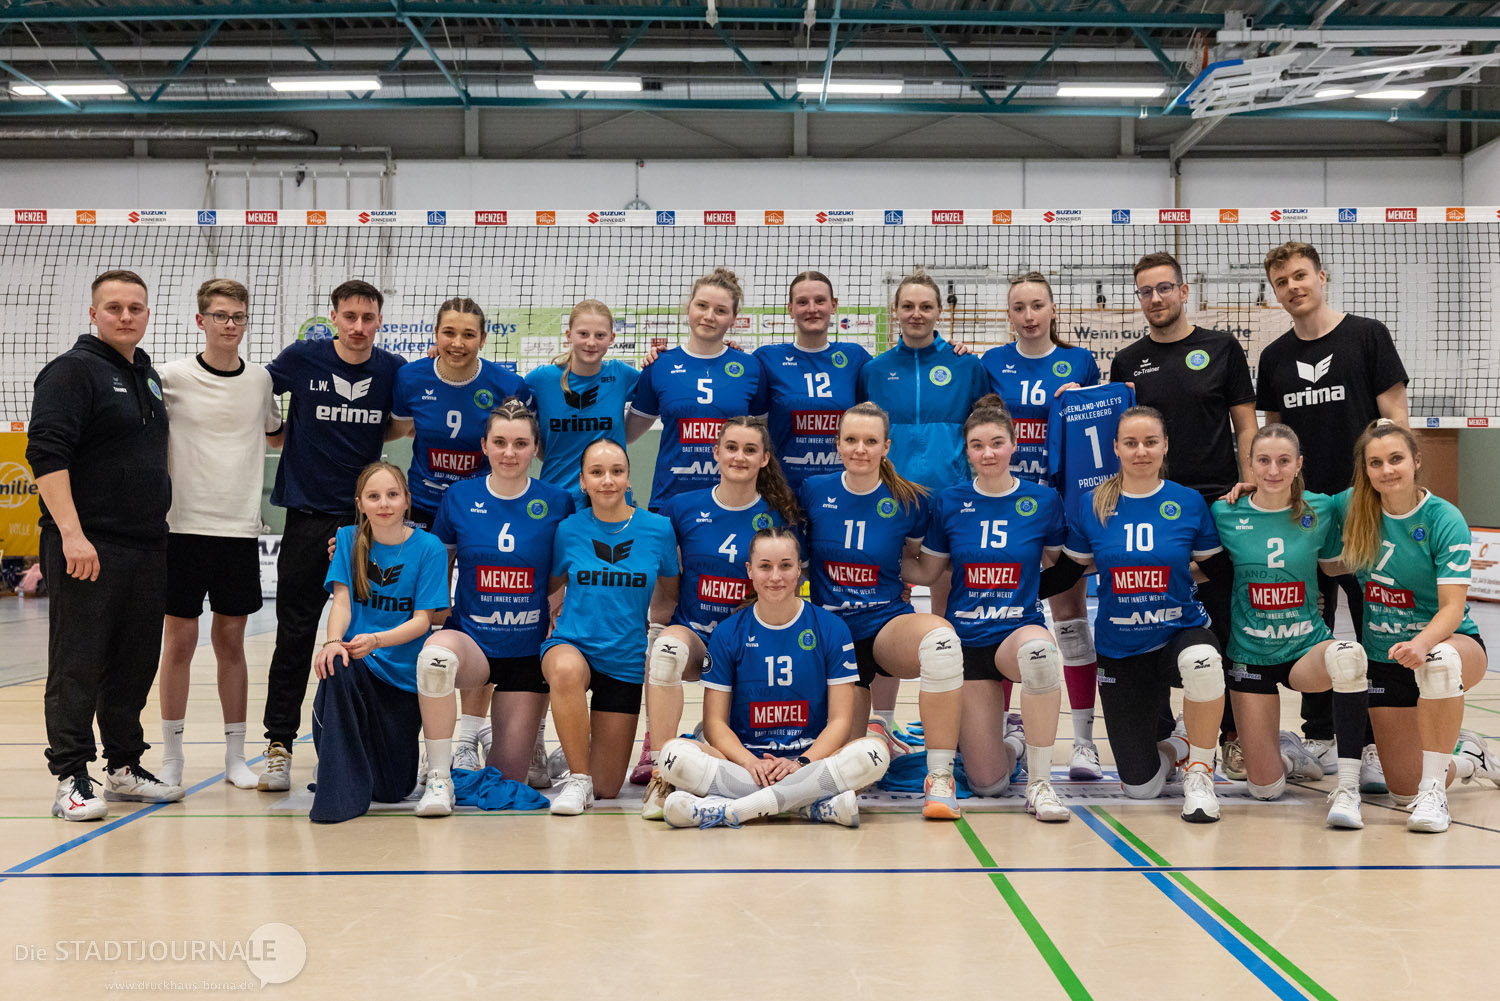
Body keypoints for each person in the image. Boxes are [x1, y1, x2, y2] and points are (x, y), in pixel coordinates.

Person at [27, 269, 182, 820]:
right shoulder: (72, 371)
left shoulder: (147, 375)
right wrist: (72, 534)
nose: (125, 316)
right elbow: (46, 453)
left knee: (134, 662)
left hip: (147, 544)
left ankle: (123, 766)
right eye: (114, 307)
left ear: (147, 314)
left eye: (135, 308)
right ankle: (71, 776)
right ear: (94, 314)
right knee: (78, 661)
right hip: (88, 545)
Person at [1256, 241, 1410, 780]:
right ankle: (1321, 735)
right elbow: (1273, 437)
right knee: (1308, 622)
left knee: (1377, 621)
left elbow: (1396, 420)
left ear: (1321, 277)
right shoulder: (1274, 357)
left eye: (1300, 276)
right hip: (1305, 515)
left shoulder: (1367, 336)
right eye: (1282, 282)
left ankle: (1373, 740)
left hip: (1366, 509)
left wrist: (1397, 496)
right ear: (1275, 292)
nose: (1292, 287)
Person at [1109, 252, 1256, 775]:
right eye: (1146, 291)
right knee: (1148, 615)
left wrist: (1250, 482)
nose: (1155, 299)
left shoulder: (1221, 347)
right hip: (1148, 507)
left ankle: (1230, 735)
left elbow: (1246, 423)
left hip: (1216, 503)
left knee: (1222, 624)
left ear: (1184, 290)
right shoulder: (1127, 361)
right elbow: (1115, 427)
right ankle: (1161, 730)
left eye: (1164, 288)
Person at [1047, 406, 1230, 823]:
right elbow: (1068, 573)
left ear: (1165, 446)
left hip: (1179, 632)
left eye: (1150, 442)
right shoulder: (1093, 504)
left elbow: (1221, 572)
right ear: (1116, 448)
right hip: (1121, 647)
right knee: (1141, 788)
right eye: (1131, 443)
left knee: (1202, 660)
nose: (1141, 451)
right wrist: (1014, 590)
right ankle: (1179, 744)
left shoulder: (1187, 502)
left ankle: (1200, 775)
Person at [261, 280, 408, 793]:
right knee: (295, 634)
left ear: (380, 321)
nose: (359, 327)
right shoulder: (302, 358)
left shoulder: (392, 370)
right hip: (307, 517)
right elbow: (255, 390)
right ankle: (279, 745)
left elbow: (398, 425)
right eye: (350, 317)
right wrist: (277, 431)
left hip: (366, 522)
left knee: (368, 632)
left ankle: (364, 743)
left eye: (368, 318)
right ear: (334, 318)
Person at [906, 397, 1071, 821]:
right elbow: (929, 572)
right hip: (969, 642)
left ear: (1014, 445)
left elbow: (1063, 568)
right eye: (977, 445)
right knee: (988, 783)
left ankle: (1041, 785)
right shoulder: (949, 502)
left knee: (1040, 655)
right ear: (967, 451)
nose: (988, 453)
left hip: (1017, 631)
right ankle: (1014, 741)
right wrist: (874, 557)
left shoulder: (1043, 500)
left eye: (997, 443)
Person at [657, 527, 890, 828]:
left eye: (785, 565)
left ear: (799, 570)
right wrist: (750, 762)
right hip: (746, 764)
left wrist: (802, 763)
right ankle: (813, 806)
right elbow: (715, 724)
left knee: (874, 752)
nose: (775, 576)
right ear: (750, 571)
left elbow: (840, 722)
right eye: (765, 566)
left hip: (810, 760)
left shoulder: (831, 628)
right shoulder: (728, 633)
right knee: (672, 755)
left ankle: (731, 810)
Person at [406, 402, 574, 816]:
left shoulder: (558, 502)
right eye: (499, 442)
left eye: (520, 443)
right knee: (435, 658)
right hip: (473, 646)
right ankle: (440, 777)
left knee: (508, 781)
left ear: (535, 448)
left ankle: (489, 739)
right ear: (484, 446)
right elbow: (437, 562)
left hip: (526, 655)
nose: (509, 453)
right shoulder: (459, 497)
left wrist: (560, 603)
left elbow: (567, 571)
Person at [801, 402, 965, 820]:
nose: (860, 449)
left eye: (870, 441)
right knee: (850, 774)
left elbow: (922, 568)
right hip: (831, 635)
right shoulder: (813, 490)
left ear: (886, 447)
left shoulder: (909, 500)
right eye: (851, 440)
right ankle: (875, 733)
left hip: (884, 624)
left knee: (942, 642)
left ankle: (939, 779)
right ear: (837, 444)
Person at [1331, 420, 1496, 833]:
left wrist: (1421, 644)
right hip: (1386, 658)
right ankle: (1470, 758)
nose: (1387, 470)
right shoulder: (1351, 506)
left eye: (1396, 459)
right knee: (1402, 789)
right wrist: (1250, 487)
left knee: (1439, 663)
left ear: (1416, 460)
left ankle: (1435, 796)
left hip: (1450, 642)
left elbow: (1453, 609)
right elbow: (1292, 501)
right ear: (1365, 470)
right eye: (1375, 463)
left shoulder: (1444, 518)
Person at [639, 417, 803, 817]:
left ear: (765, 458)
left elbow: (789, 585)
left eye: (750, 450)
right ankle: (663, 769)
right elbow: (666, 578)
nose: (739, 457)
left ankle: (726, 750)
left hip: (750, 645)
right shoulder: (682, 508)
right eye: (731, 447)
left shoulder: (779, 515)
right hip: (697, 636)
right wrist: (657, 627)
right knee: (665, 651)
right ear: (715, 452)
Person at [156, 279, 284, 790]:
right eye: (220, 315)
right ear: (201, 321)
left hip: (238, 530)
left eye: (238, 316)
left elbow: (277, 434)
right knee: (179, 643)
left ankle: (235, 758)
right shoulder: (170, 378)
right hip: (181, 527)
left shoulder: (260, 381)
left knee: (231, 642)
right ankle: (172, 758)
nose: (230, 324)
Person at [1211, 424, 1371, 828]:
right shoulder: (1225, 511)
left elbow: (1333, 567)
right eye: (1263, 461)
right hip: (1250, 654)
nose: (1273, 470)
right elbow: (1206, 569)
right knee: (1265, 789)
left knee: (1349, 656)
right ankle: (1286, 753)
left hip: (1305, 648)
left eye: (1283, 461)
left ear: (1299, 464)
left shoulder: (1322, 508)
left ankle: (1347, 786)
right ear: (1249, 464)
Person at [982, 272, 1106, 780]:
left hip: (1060, 505)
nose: (1028, 315)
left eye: (1037, 305)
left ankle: (1083, 742)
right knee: (1002, 614)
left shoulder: (1080, 362)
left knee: (1070, 616)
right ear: (1008, 314)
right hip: (1006, 505)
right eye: (1019, 307)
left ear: (1053, 309)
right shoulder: (991, 363)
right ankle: (1001, 729)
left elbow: (1097, 427)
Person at [857, 268, 988, 734]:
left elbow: (984, 427)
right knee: (887, 613)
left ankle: (951, 724)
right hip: (891, 504)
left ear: (938, 312)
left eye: (925, 306)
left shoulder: (967, 366)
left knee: (949, 617)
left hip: (951, 503)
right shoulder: (873, 370)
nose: (916, 314)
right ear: (895, 311)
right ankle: (885, 724)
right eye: (908, 306)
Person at [541, 438, 680, 815]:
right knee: (565, 670)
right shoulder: (568, 529)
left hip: (625, 658)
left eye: (617, 471)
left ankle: (577, 759)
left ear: (628, 477)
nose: (607, 480)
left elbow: (669, 591)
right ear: (582, 481)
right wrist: (555, 613)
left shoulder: (658, 529)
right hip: (572, 645)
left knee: (606, 787)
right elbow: (553, 584)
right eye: (597, 472)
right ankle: (576, 779)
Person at [309, 463, 449, 823]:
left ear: (407, 501)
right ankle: (336, 793)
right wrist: (333, 641)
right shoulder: (348, 539)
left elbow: (422, 621)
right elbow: (342, 601)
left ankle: (353, 769)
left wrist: (376, 640)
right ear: (361, 504)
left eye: (392, 495)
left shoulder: (429, 547)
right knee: (335, 662)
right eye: (373, 496)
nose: (384, 503)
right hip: (359, 663)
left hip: (401, 679)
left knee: (391, 789)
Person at [626, 268, 770, 510]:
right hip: (670, 501)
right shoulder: (659, 365)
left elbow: (765, 436)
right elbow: (627, 434)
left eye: (721, 310)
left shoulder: (751, 368)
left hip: (734, 502)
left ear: (733, 318)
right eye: (702, 306)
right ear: (689, 307)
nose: (709, 316)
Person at [392, 296, 533, 529]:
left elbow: (527, 443)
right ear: (436, 333)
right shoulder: (410, 378)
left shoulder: (509, 385)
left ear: (482, 339)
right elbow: (398, 430)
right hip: (422, 504)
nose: (457, 343)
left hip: (482, 503)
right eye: (449, 333)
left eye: (468, 335)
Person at [756, 271, 872, 491]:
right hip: (783, 490)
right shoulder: (767, 359)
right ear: (790, 309)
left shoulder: (855, 358)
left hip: (843, 487)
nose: (812, 309)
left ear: (833, 305)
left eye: (820, 301)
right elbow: (755, 426)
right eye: (802, 302)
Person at [526, 299, 640, 507]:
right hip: (556, 499)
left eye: (600, 335)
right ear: (569, 335)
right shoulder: (541, 380)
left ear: (612, 338)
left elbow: (660, 392)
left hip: (611, 500)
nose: (591, 342)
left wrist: (656, 359)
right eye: (583, 334)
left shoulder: (621, 375)